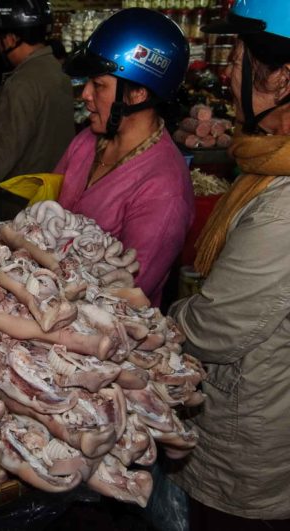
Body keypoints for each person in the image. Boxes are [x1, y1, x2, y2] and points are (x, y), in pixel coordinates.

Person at [167, 1, 290, 527]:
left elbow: (215, 329)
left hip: (251, 445)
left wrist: (156, 321)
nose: (226, 71)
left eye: (238, 58)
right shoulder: (267, 162)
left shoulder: (283, 208)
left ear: (283, 79)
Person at [56, 8, 194, 307]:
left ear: (138, 94)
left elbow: (125, 297)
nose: (85, 95)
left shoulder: (164, 190)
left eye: (99, 85)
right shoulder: (86, 142)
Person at [0, 0, 74, 226]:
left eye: (0, 40)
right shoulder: (54, 71)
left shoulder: (22, 82)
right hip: (51, 195)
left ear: (10, 39)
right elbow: (33, 102)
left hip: (18, 206)